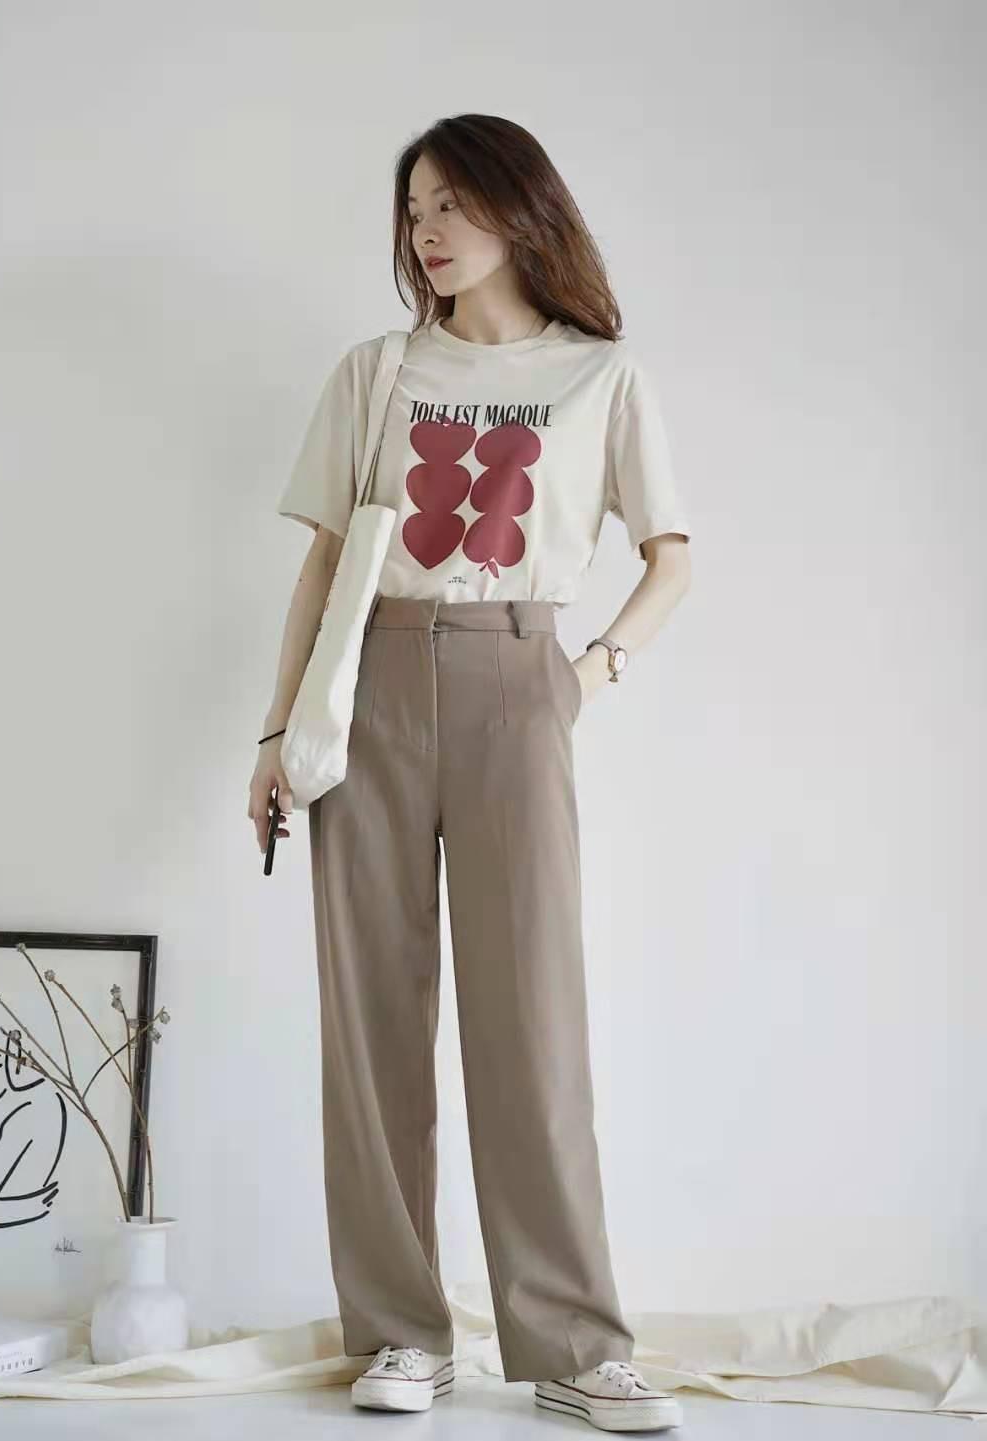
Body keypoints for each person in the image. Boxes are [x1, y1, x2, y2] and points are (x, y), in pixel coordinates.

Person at [248, 113, 692, 1433]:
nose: (426, 229)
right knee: (371, 1024)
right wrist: (275, 735)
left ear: (518, 206)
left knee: (532, 1021)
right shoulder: (376, 370)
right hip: (372, 684)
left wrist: (589, 671)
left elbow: (671, 557)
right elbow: (325, 564)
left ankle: (575, 1341)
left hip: (520, 680)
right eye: (414, 207)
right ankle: (399, 1332)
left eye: (452, 203)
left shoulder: (602, 375)